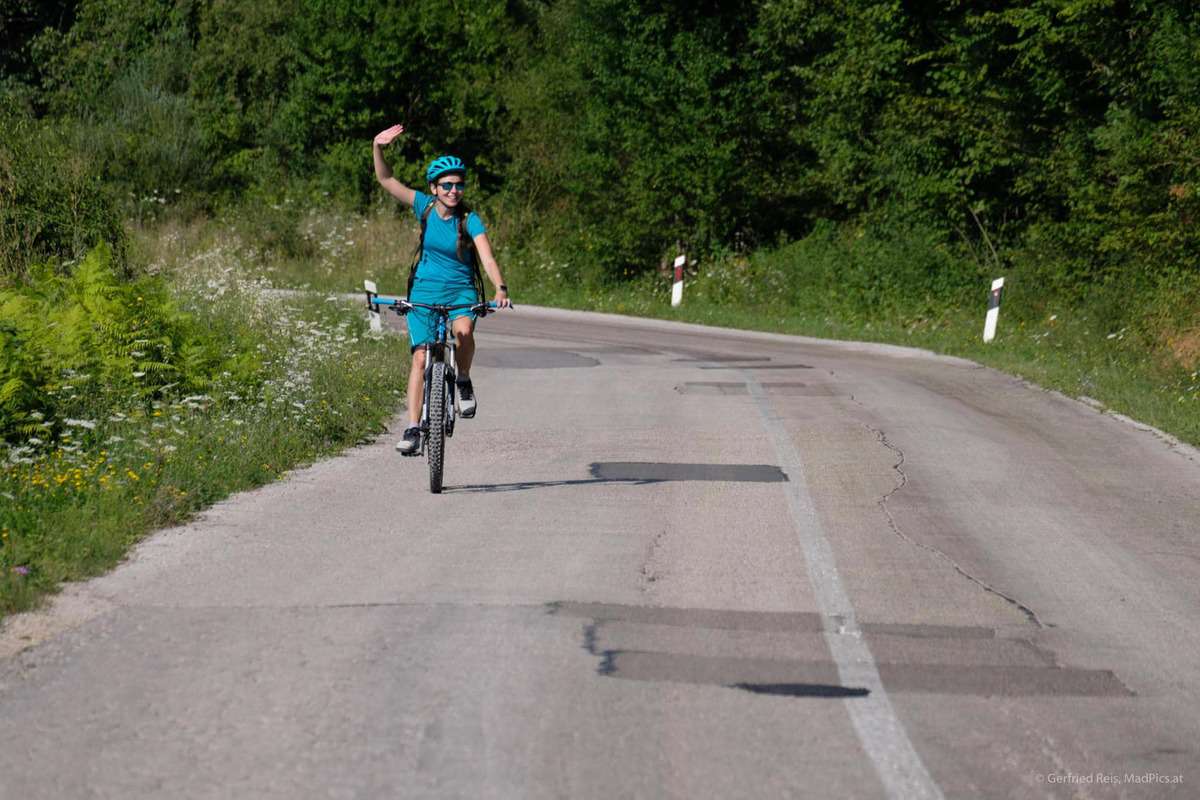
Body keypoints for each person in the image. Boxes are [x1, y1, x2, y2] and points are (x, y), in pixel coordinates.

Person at [372, 123, 511, 455]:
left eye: (459, 185)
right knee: (420, 358)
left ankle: (463, 379)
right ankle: (412, 428)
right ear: (434, 188)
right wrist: (377, 146)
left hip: (461, 290)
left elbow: (487, 258)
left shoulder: (469, 219)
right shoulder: (424, 207)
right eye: (447, 185)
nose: (453, 190)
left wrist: (500, 288)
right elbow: (386, 180)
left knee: (463, 332)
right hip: (423, 291)